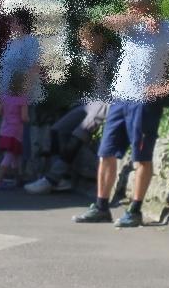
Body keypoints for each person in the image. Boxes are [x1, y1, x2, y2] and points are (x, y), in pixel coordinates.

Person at [73, 0, 169, 229]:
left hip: (144, 101)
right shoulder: (130, 25)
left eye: (135, 4)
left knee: (141, 156)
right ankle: (101, 207)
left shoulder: (167, 29)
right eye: (128, 4)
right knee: (105, 153)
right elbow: (102, 22)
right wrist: (139, 17)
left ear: (149, 4)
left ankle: (135, 210)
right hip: (120, 98)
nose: (130, 8)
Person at [25, 24, 117, 194]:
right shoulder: (88, 56)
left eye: (86, 39)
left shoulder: (113, 56)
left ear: (99, 38)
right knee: (57, 129)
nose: (83, 44)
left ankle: (52, 178)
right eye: (81, 40)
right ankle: (64, 180)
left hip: (108, 102)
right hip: (90, 100)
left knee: (80, 132)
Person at [0, 69, 30, 188]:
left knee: (14, 156)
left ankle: (17, 179)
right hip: (16, 131)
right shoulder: (23, 99)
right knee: (9, 156)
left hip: (5, 129)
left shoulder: (4, 97)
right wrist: (28, 119)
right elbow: (24, 117)